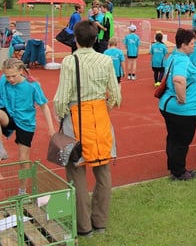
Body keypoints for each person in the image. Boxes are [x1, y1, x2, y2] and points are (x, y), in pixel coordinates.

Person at [53, 20, 121, 237]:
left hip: (76, 118)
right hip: (99, 117)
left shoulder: (69, 61)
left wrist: (60, 116)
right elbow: (116, 95)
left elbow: (61, 98)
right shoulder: (105, 60)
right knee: (103, 171)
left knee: (76, 173)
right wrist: (103, 108)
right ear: (95, 39)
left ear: (76, 39)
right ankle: (100, 222)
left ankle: (84, 227)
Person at [158, 28, 196, 181]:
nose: (194, 46)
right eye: (192, 43)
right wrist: (182, 98)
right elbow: (178, 79)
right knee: (182, 141)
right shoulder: (182, 60)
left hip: (169, 106)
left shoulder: (173, 56)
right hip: (183, 110)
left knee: (173, 138)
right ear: (183, 45)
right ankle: (179, 171)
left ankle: (174, 168)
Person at [0, 59, 56, 172]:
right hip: (8, 115)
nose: (10, 79)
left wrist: (51, 128)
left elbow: (44, 106)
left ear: (21, 71)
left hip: (25, 122)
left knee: (23, 159)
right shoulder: (3, 80)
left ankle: (24, 183)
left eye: (13, 76)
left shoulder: (32, 85)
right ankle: (0, 149)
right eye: (8, 76)